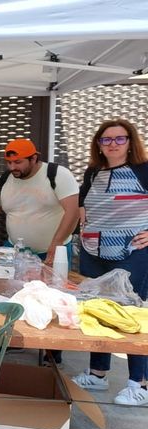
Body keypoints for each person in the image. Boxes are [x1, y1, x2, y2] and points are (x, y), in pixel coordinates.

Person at [70, 119, 148, 406]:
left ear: (130, 141)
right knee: (96, 310)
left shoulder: (144, 170)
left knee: (131, 313)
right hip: (93, 252)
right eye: (106, 139)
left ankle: (140, 383)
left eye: (119, 138)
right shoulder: (93, 171)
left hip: (132, 253)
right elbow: (83, 200)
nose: (113, 144)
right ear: (99, 144)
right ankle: (98, 373)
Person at [0, 137, 79, 266]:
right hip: (14, 252)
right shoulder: (2, 181)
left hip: (52, 251)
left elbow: (73, 212)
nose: (12, 167)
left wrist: (57, 243)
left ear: (33, 158)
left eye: (18, 162)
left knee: (55, 281)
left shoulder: (58, 175)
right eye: (9, 162)